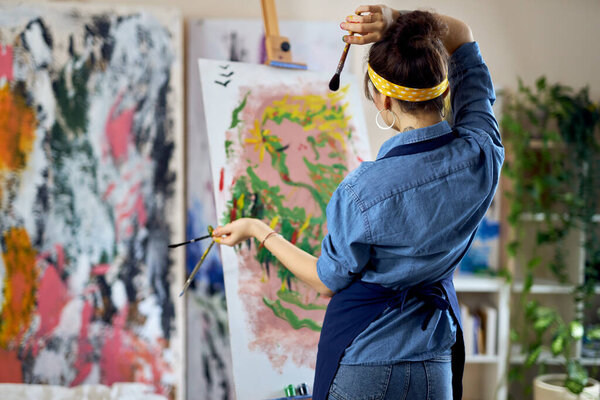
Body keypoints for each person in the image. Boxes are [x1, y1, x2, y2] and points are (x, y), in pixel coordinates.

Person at [212, 5, 503, 400]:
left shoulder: (362, 190)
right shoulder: (482, 153)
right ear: (447, 88)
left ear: (383, 101)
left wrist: (257, 229)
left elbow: (326, 280)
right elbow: (463, 33)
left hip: (366, 362)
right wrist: (393, 17)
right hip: (435, 365)